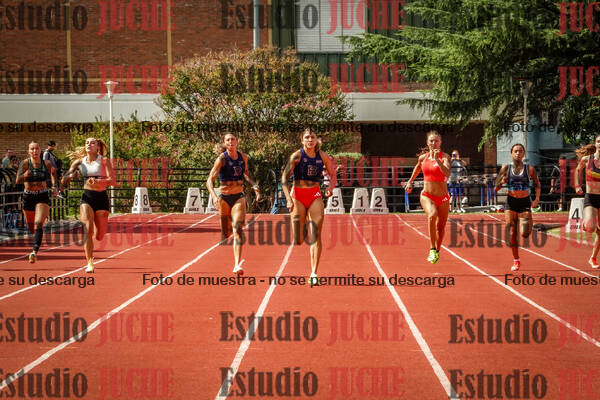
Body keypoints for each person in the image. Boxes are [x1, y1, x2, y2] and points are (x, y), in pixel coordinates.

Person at [282, 128, 336, 286]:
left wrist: (330, 188)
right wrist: (288, 199)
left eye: (312, 137)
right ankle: (302, 225)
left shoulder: (323, 156)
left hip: (314, 194)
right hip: (298, 195)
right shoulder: (297, 156)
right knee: (299, 239)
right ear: (302, 140)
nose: (310, 140)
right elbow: (284, 178)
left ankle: (314, 273)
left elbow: (333, 174)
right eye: (307, 137)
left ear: (316, 140)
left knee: (317, 235)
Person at [207, 133, 261, 275]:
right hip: (224, 197)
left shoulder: (243, 157)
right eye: (228, 140)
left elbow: (246, 173)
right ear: (224, 143)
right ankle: (226, 232)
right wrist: (214, 196)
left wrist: (254, 184)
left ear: (237, 141)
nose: (230, 141)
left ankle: (237, 264)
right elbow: (209, 180)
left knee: (238, 229)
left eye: (233, 139)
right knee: (226, 233)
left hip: (238, 196)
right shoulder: (221, 159)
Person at [60, 138, 114, 273]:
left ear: (98, 147)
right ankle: (90, 262)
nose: (89, 144)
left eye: (92, 143)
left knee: (99, 235)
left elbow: (112, 180)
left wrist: (98, 181)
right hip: (87, 198)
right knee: (87, 230)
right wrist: (71, 176)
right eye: (87, 143)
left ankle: (97, 228)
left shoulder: (104, 161)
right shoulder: (79, 162)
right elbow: (63, 180)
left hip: (101, 198)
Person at [405, 131, 451, 264]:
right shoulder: (422, 158)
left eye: (436, 141)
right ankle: (432, 248)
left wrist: (437, 160)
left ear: (440, 142)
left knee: (440, 227)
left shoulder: (445, 157)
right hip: (427, 195)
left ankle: (437, 250)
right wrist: (410, 181)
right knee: (432, 215)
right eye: (431, 141)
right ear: (427, 142)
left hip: (443, 198)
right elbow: (417, 168)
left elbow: (447, 173)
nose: (433, 143)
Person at [494, 143, 541, 272]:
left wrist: (536, 199)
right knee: (511, 234)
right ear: (511, 153)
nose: (518, 153)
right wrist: (502, 182)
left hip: (524, 202)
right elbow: (495, 188)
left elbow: (537, 184)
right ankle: (516, 260)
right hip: (511, 202)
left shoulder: (529, 169)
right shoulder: (505, 168)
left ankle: (526, 223)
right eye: (515, 151)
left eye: (520, 151)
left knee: (525, 234)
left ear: (524, 153)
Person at [15, 142, 58, 263]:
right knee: (32, 228)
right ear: (28, 151)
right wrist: (25, 175)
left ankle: (34, 251)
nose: (35, 151)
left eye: (37, 148)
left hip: (42, 195)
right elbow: (17, 180)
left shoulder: (46, 163)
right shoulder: (25, 163)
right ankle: (37, 236)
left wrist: (54, 186)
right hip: (28, 196)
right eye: (32, 149)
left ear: (40, 150)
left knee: (38, 223)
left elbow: (53, 173)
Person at [574, 135, 600, 269]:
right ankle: (586, 222)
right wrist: (577, 185)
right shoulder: (587, 159)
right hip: (591, 197)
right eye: (599, 141)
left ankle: (593, 258)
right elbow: (578, 170)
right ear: (595, 144)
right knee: (590, 227)